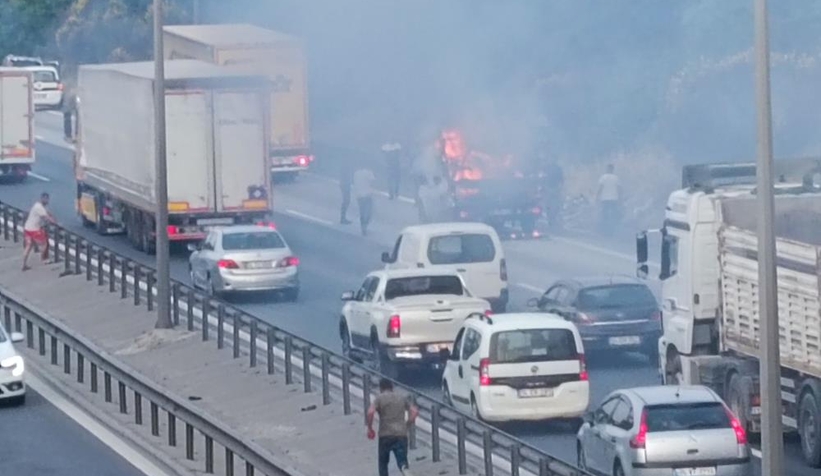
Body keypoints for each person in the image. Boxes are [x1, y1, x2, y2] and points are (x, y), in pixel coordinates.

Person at [367, 378, 419, 476]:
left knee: (383, 463)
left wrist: (370, 428)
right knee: (402, 460)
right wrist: (407, 424)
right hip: (401, 434)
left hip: (385, 435)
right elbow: (415, 412)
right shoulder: (401, 397)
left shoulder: (380, 398)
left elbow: (370, 412)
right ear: (392, 387)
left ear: (381, 388)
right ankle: (405, 469)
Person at [22, 192, 56, 271]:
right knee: (44, 243)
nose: (48, 201)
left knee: (28, 246)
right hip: (35, 230)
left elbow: (47, 212)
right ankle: (44, 259)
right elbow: (46, 216)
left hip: (27, 228)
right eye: (47, 199)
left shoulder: (37, 205)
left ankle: (24, 264)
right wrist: (54, 222)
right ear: (44, 199)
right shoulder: (40, 208)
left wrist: (52, 216)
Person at [596, 164, 622, 235]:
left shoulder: (603, 177)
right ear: (613, 170)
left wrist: (597, 197)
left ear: (607, 169)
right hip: (614, 199)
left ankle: (605, 230)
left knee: (605, 215)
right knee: (614, 215)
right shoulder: (616, 178)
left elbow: (600, 188)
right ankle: (613, 230)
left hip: (605, 199)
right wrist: (620, 198)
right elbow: (619, 189)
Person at [352, 167, 376, 235]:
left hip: (359, 195)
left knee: (362, 212)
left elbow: (354, 183)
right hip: (367, 195)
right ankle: (365, 226)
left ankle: (363, 227)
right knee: (368, 212)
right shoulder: (369, 172)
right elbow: (373, 182)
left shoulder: (356, 173)